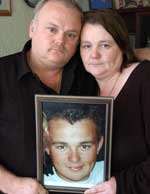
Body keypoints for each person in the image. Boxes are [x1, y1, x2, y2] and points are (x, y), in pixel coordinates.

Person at [0, 1, 97, 194]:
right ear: (32, 29)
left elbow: (118, 59)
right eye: (52, 29)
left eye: (71, 35)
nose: (60, 40)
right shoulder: (2, 74)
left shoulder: (90, 74)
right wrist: (11, 184)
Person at [80, 9, 150, 194]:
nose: (93, 55)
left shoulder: (145, 79)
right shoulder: (84, 88)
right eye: (86, 45)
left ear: (122, 46)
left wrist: (119, 185)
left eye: (104, 45)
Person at [43, 105, 104, 188]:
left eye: (85, 146)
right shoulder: (38, 186)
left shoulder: (111, 176)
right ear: (46, 146)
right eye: (61, 147)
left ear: (99, 145)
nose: (74, 159)